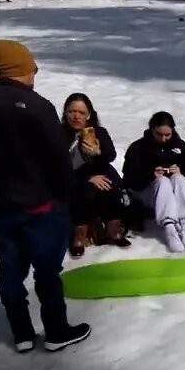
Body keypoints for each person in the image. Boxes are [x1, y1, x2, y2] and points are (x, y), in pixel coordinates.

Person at [0, 39, 91, 353]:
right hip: (41, 206)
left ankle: (21, 333)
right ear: (22, 68)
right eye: (32, 67)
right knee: (47, 271)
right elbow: (59, 158)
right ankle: (56, 331)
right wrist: (64, 199)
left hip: (0, 206)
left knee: (11, 269)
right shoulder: (36, 106)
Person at [61, 93, 130, 257]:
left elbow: (111, 155)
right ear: (66, 113)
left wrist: (98, 152)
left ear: (89, 115)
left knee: (111, 183)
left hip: (98, 169)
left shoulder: (98, 132)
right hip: (69, 175)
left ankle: (113, 226)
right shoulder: (59, 134)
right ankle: (80, 232)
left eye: (81, 113)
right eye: (72, 112)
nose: (76, 116)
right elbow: (55, 164)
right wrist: (87, 178)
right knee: (84, 190)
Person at [122, 111, 185, 252]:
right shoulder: (138, 148)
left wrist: (181, 171)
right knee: (162, 182)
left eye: (167, 135)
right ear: (152, 130)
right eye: (159, 134)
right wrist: (150, 175)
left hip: (177, 195)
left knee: (178, 178)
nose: (164, 139)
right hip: (149, 195)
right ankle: (170, 228)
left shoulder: (180, 146)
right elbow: (128, 179)